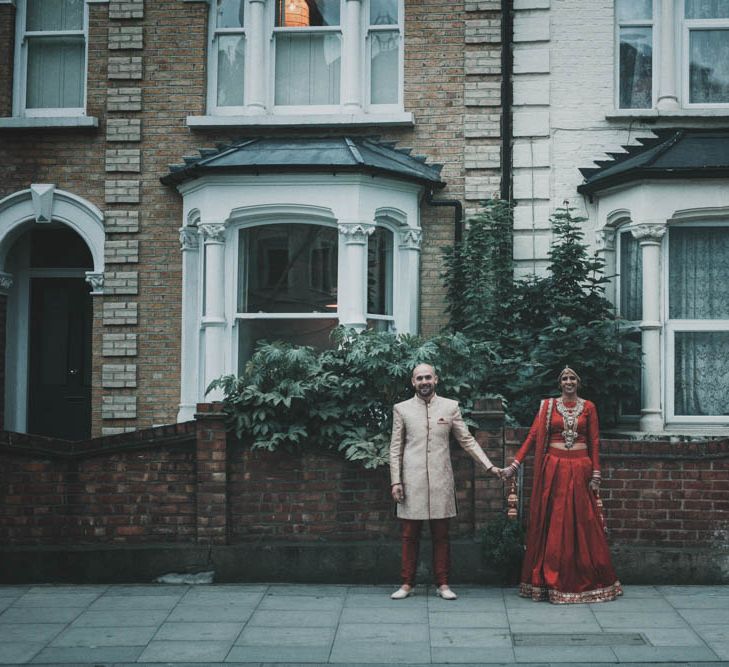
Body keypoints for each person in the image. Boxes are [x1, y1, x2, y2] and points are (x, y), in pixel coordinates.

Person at [501, 366, 622, 604]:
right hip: (554, 469)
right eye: (565, 378)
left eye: (573, 378)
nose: (569, 381)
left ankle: (585, 578)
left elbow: (594, 441)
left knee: (583, 520)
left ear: (578, 382)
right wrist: (514, 465)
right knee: (556, 520)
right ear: (560, 383)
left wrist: (596, 472)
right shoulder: (548, 407)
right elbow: (533, 436)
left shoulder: (588, 407)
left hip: (580, 468)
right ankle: (550, 581)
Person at [389, 363, 501, 600]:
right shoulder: (402, 409)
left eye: (428, 377)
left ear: (436, 379)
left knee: (442, 534)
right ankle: (406, 584)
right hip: (411, 479)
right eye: (419, 378)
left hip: (441, 478)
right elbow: (395, 448)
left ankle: (443, 584)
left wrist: (488, 465)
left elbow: (467, 440)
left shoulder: (450, 407)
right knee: (410, 534)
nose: (424, 382)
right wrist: (395, 481)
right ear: (413, 382)